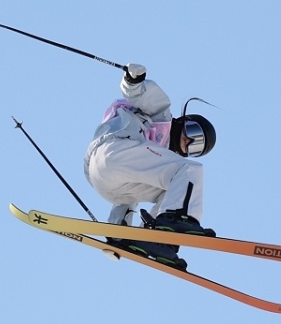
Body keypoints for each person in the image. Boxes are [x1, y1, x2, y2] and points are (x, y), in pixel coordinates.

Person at [84, 62, 216, 270]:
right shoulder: (161, 118)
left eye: (196, 146)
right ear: (183, 122)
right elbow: (141, 95)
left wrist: (115, 235)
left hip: (104, 179)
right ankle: (177, 219)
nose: (189, 143)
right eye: (193, 133)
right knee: (189, 171)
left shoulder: (154, 160)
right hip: (114, 149)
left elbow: (127, 198)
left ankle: (150, 239)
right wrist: (133, 81)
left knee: (173, 189)